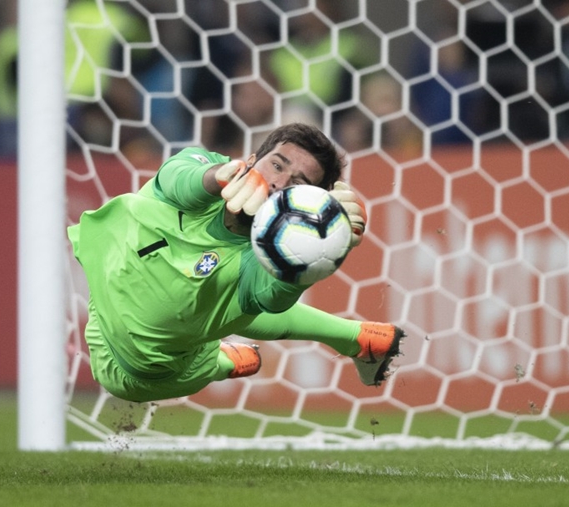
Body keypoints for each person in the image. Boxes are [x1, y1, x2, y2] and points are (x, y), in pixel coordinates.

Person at [68, 123, 405, 403]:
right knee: (209, 302)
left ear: (306, 202)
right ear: (253, 159)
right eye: (277, 164)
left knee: (224, 305)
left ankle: (221, 361)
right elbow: (174, 176)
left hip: (137, 371)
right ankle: (358, 338)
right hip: (107, 283)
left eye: (299, 184)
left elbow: (273, 296)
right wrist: (219, 176)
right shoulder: (208, 170)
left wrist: (327, 245)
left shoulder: (254, 266)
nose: (278, 183)